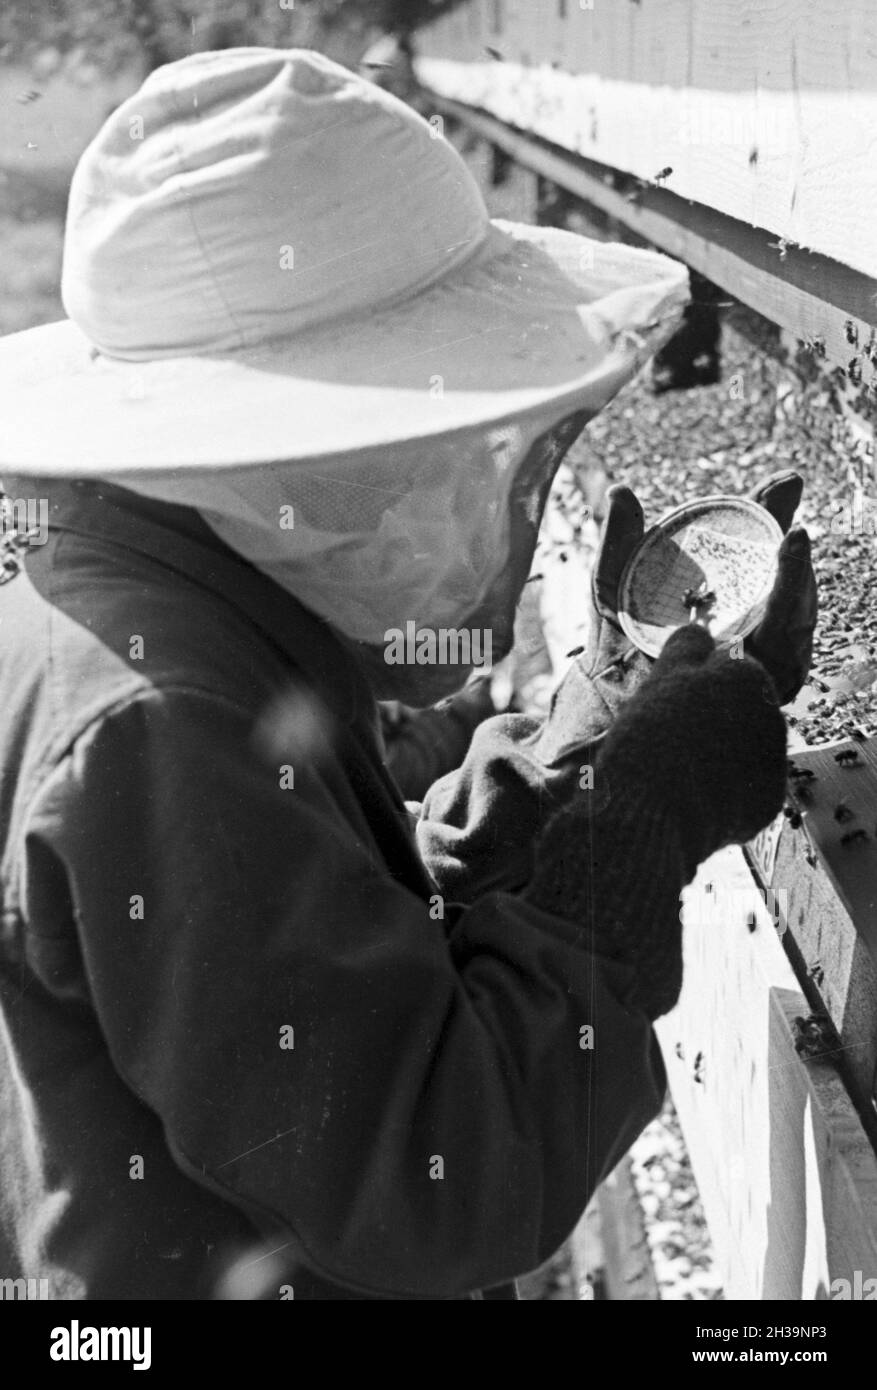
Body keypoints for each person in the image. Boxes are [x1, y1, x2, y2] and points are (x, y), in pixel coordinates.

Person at [0, 48, 816, 1301]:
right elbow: (443, 1175)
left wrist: (567, 738)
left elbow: (304, 916)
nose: (455, 482)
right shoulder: (154, 724)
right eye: (426, 441)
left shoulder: (155, 599)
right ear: (290, 447)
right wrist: (636, 834)